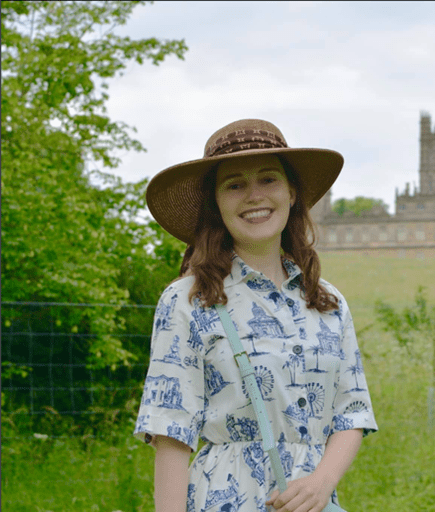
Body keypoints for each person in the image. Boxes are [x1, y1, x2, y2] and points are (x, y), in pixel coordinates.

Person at [134, 119, 378, 512]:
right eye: (234, 184)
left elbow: (351, 412)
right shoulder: (187, 300)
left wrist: (321, 482)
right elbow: (171, 431)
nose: (253, 196)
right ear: (215, 201)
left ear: (292, 192)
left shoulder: (328, 301)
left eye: (268, 179)